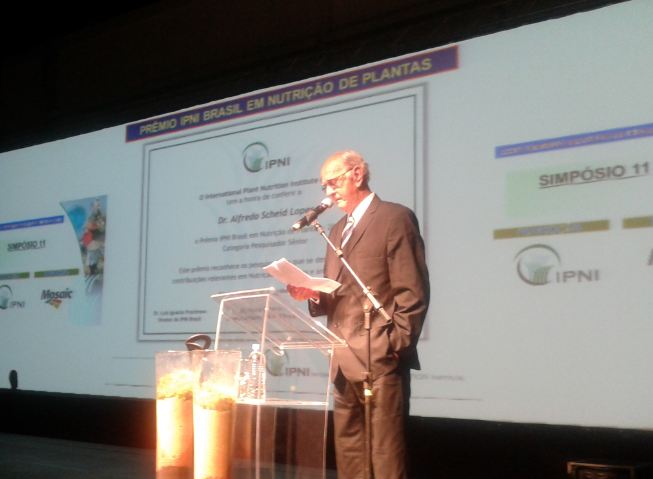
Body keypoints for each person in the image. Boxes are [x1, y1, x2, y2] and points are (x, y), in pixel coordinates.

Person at [287, 150, 430, 479]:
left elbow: (413, 290)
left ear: (357, 174)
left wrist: (394, 346)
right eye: (324, 186)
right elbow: (338, 294)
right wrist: (312, 293)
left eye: (333, 182)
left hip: (380, 359)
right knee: (350, 454)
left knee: (385, 457)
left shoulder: (394, 218)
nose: (328, 192)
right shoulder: (336, 230)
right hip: (342, 358)